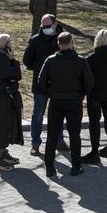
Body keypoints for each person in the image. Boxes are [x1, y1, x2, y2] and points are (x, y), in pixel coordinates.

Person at [38, 31, 93, 177]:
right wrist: (81, 94)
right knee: (75, 135)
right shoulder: (81, 61)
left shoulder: (50, 60)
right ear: (71, 43)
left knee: (52, 135)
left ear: (58, 43)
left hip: (56, 101)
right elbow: (89, 82)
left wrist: (50, 92)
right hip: (74, 101)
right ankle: (76, 166)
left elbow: (41, 81)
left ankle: (50, 167)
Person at [22, 14, 63, 156]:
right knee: (38, 114)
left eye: (47, 26)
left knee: (58, 114)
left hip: (59, 83)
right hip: (41, 84)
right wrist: (39, 68)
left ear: (55, 23)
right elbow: (27, 60)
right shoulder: (35, 40)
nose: (45, 28)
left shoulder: (63, 38)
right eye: (43, 26)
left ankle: (60, 140)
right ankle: (35, 144)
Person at [82, 29, 107, 164]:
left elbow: (86, 76)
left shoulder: (91, 58)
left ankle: (94, 152)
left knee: (94, 121)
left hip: (95, 93)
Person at [0, 33, 23, 172]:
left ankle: (3, 153)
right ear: (5, 45)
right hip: (2, 96)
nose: (11, 45)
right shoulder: (0, 59)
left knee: (5, 123)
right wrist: (13, 60)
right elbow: (16, 76)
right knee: (2, 125)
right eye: (10, 42)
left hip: (2, 95)